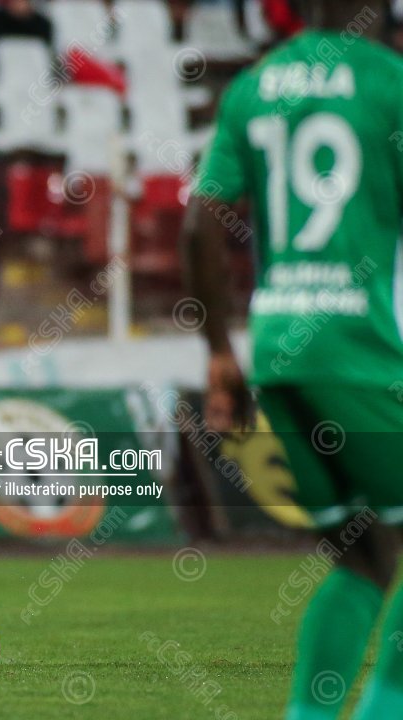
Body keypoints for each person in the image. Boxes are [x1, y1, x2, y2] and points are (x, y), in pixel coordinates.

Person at [183, 2, 403, 717]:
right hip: (364, 347)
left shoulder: (254, 86)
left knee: (364, 554)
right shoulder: (389, 81)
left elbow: (197, 222)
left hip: (280, 350)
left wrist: (220, 353)